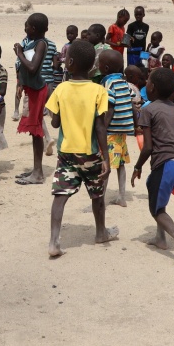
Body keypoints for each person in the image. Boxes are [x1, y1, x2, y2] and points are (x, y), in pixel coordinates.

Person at [47, 39, 119, 257]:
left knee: (60, 195)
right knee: (97, 196)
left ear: (68, 63)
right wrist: (105, 158)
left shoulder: (60, 89)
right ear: (93, 67)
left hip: (67, 152)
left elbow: (55, 123)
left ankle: (54, 242)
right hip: (91, 153)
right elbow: (100, 127)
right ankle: (100, 233)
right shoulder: (99, 91)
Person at [131, 67, 174, 266]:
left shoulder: (147, 110)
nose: (146, 84)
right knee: (154, 186)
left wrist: (137, 167)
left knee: (156, 209)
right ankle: (160, 238)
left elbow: (148, 147)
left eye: (148, 82)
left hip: (167, 164)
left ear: (153, 88)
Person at [14, 13, 49, 185]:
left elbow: (33, 67)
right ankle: (36, 169)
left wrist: (19, 53)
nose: (25, 28)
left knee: (36, 133)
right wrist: (21, 82)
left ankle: (38, 173)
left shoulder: (41, 44)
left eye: (27, 26)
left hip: (37, 90)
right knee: (34, 133)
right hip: (31, 89)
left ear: (33, 29)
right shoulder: (33, 42)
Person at [99, 49, 135, 207]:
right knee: (119, 163)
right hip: (123, 130)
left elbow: (110, 106)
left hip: (111, 131)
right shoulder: (124, 82)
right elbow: (132, 102)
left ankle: (100, 198)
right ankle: (121, 195)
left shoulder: (109, 83)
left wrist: (103, 127)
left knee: (105, 165)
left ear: (105, 68)